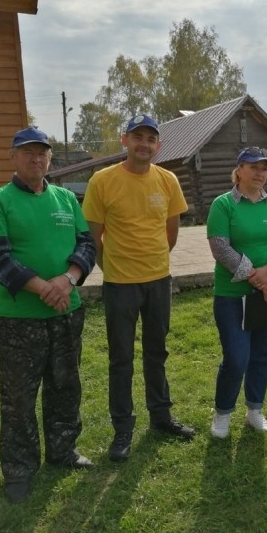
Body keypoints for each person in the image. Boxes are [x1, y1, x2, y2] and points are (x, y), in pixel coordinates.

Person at [0, 126, 96, 504]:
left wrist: (68, 279)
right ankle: (19, 469)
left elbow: (87, 244)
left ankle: (63, 451)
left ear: (50, 158)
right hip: (20, 317)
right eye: (27, 152)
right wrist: (45, 288)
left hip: (67, 311)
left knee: (65, 385)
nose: (36, 158)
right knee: (18, 397)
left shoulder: (65, 199)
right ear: (13, 158)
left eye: (42, 152)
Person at [82, 113, 195, 461]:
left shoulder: (168, 180)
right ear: (124, 140)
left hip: (158, 281)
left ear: (157, 145)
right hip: (119, 285)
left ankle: (161, 417)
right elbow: (93, 235)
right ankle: (123, 430)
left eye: (150, 139)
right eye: (137, 137)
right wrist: (112, 267)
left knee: (156, 352)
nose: (143, 144)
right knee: (121, 359)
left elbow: (171, 232)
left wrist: (155, 261)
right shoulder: (102, 181)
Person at [206, 146, 267, 438]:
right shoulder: (223, 204)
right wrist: (258, 278)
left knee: (261, 355)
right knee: (237, 357)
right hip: (232, 295)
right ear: (239, 170)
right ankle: (222, 413)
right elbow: (220, 248)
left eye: (264, 168)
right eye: (253, 166)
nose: (260, 173)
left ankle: (255, 410)